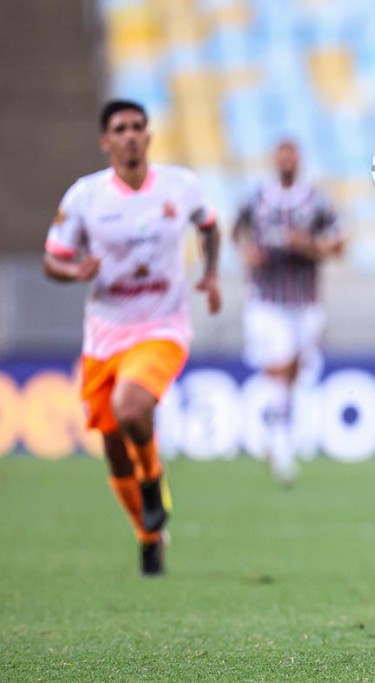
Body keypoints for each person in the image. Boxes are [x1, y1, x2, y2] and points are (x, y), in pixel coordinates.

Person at [43, 99, 222, 576]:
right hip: (105, 334)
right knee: (113, 447)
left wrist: (211, 274)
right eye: (120, 129)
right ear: (106, 141)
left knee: (131, 408)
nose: (130, 135)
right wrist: (74, 271)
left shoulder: (180, 186)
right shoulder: (85, 197)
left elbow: (208, 226)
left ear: (148, 136)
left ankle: (153, 477)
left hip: (162, 326)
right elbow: (52, 260)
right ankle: (149, 536)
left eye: (138, 127)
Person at [232, 139, 343, 485]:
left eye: (292, 155)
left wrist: (308, 246)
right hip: (266, 299)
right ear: (274, 160)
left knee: (294, 373)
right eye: (282, 155)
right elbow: (236, 231)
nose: (287, 161)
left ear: (299, 160)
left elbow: (339, 244)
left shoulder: (316, 200)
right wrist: (246, 252)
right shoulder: (257, 197)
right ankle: (281, 448)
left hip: (305, 301)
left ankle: (273, 424)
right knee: (279, 364)